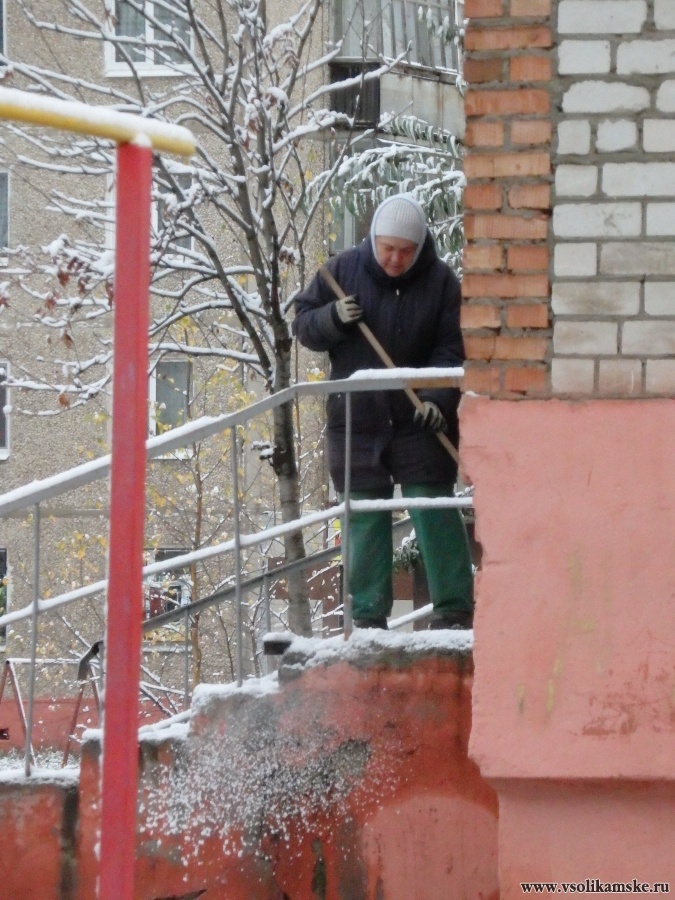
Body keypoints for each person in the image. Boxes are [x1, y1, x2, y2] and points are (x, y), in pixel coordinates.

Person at [293, 194, 474, 630]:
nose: (395, 259)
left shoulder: (442, 284)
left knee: (433, 506)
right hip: (358, 418)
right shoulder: (340, 272)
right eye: (387, 248)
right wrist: (332, 317)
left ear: (420, 247)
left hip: (420, 419)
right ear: (373, 238)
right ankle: (368, 616)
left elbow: (452, 349)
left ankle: (453, 610)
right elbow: (303, 324)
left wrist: (437, 401)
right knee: (365, 518)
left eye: (405, 251)